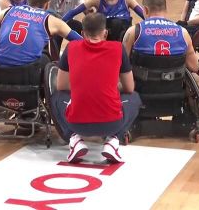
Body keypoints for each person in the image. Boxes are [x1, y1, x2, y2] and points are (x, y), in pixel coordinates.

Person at [51, 13, 139, 163]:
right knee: (134, 97)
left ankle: (74, 139)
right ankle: (113, 140)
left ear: (82, 33)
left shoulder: (71, 47)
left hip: (77, 124)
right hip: (112, 123)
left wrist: (82, 85)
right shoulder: (118, 48)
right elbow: (129, 87)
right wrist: (111, 86)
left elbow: (61, 85)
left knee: (57, 97)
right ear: (105, 33)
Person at [123, 0, 198, 73]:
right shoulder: (183, 32)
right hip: (174, 84)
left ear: (145, 10)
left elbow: (122, 65)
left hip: (143, 83)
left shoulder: (133, 31)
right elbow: (194, 67)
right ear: (166, 10)